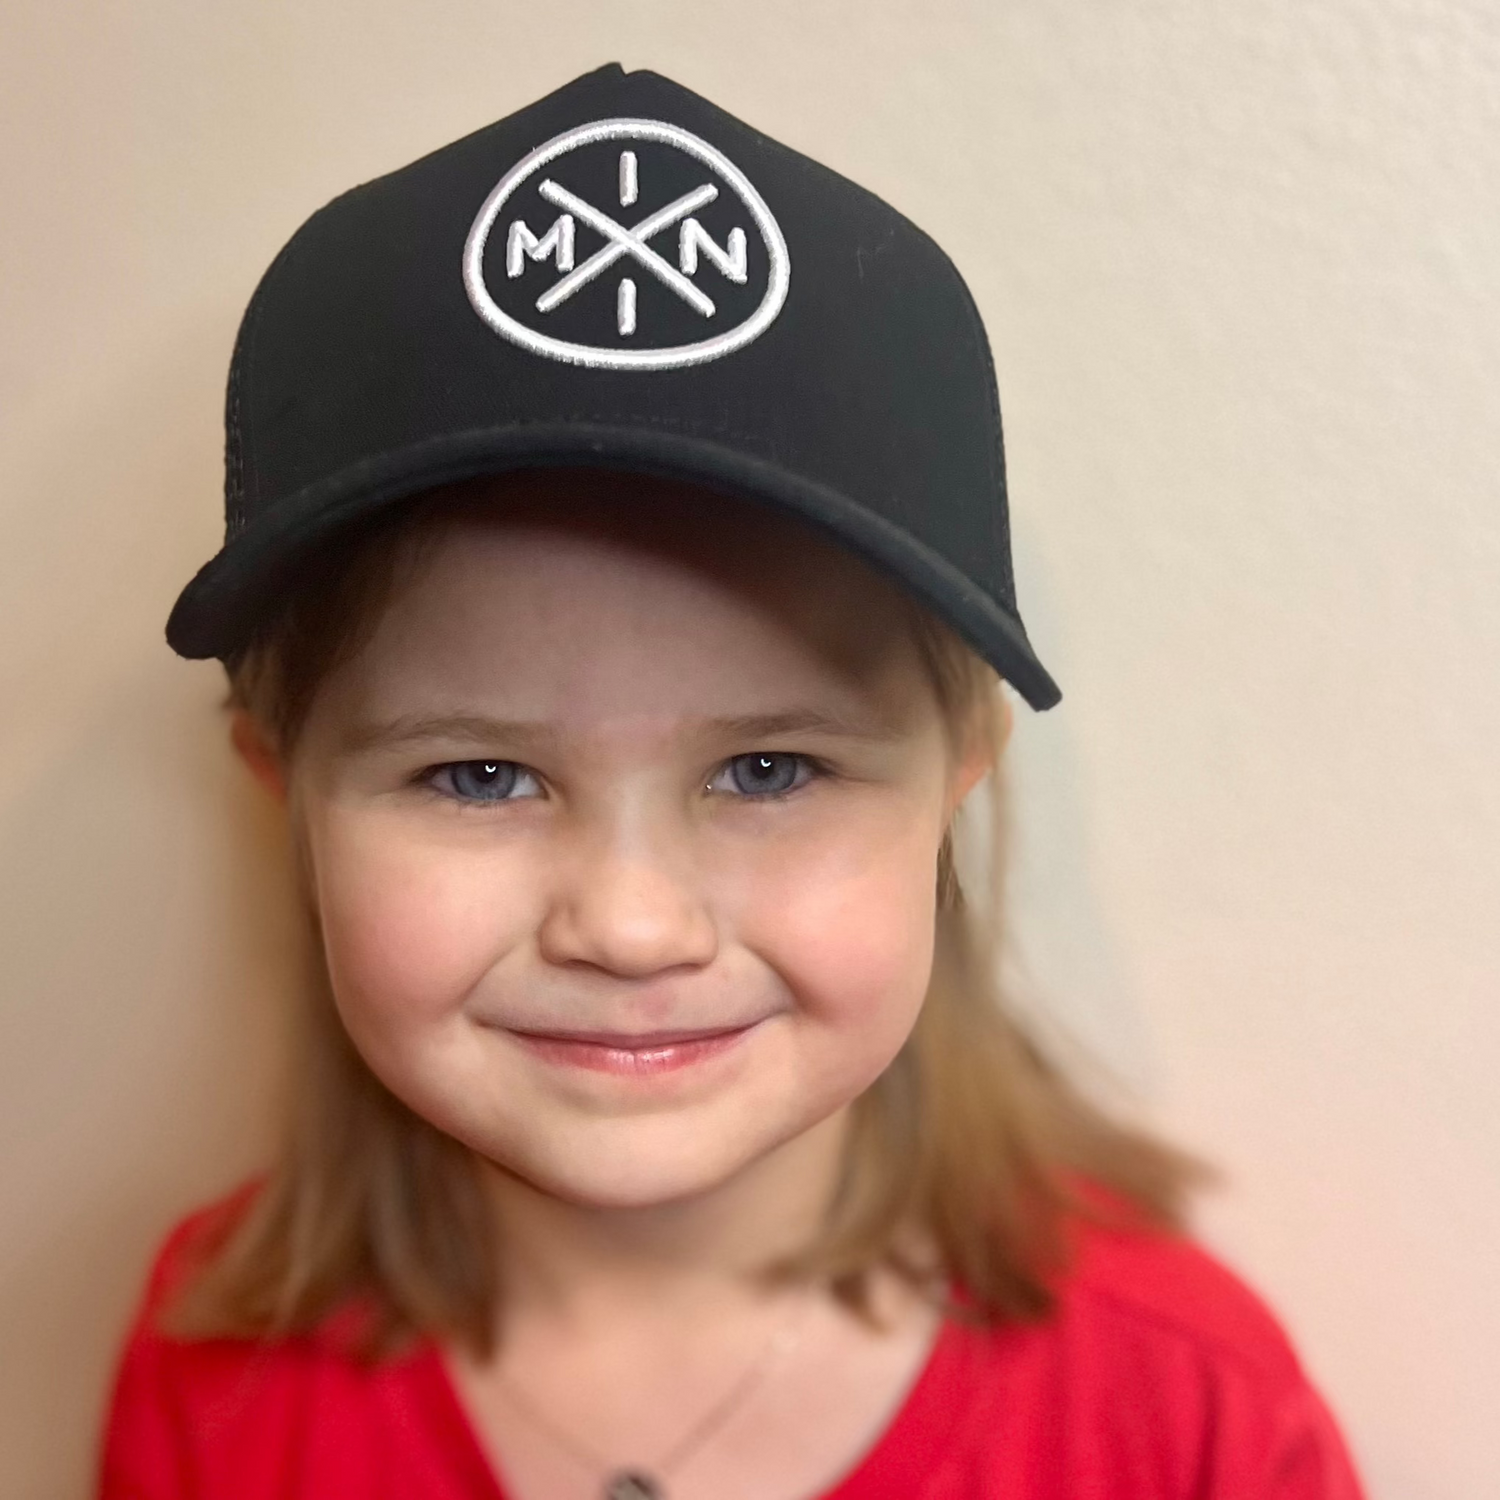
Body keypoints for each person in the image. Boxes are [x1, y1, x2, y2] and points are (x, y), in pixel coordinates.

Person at [95, 63, 1370, 1500]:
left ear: (959, 774)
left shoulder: (1180, 1413)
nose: (632, 927)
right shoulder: (212, 1376)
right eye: (478, 774)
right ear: (284, 788)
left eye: (769, 768)